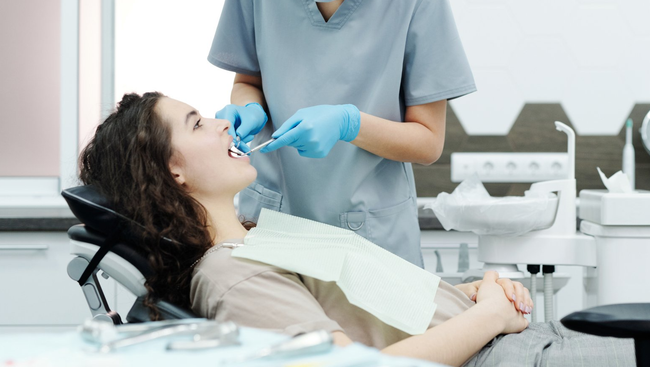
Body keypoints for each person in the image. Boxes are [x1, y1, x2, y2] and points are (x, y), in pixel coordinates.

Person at [79, 93, 634, 366]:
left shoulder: (255, 237)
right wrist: (489, 316)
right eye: (198, 122)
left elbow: (367, 310)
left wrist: (474, 292)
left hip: (510, 337)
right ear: (171, 170)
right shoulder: (232, 276)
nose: (226, 118)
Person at [208, 0, 477, 268]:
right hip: (269, 224)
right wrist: (250, 108)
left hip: (371, 238)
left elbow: (428, 142)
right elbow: (247, 82)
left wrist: (350, 124)